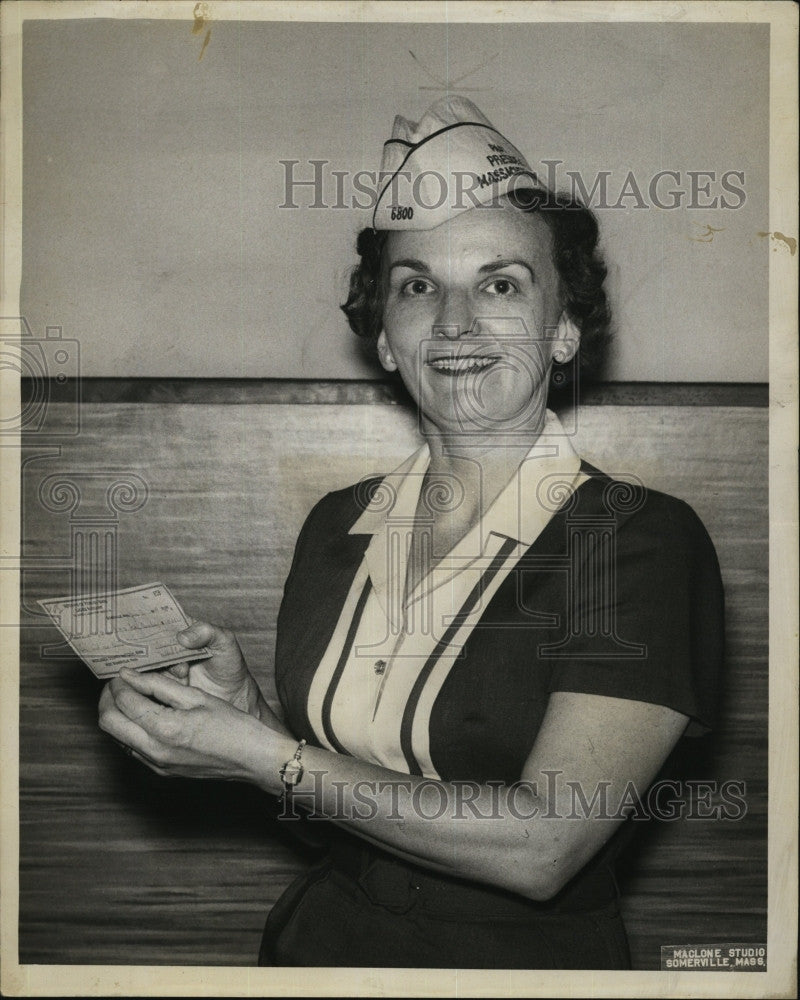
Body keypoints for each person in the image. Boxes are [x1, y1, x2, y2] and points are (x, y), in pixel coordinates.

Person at [98, 96, 725, 969]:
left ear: (567, 329)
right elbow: (340, 816)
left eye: (501, 284)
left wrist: (261, 754)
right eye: (419, 286)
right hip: (318, 952)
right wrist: (239, 717)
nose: (456, 323)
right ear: (387, 338)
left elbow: (545, 847)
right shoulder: (339, 527)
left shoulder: (638, 542)